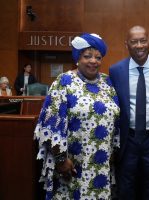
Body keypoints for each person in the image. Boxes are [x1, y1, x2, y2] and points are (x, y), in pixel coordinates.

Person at [34, 33, 120, 199]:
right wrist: (60, 160)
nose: (93, 61)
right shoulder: (64, 81)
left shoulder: (107, 82)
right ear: (77, 58)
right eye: (87, 56)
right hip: (72, 164)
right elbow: (50, 123)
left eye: (98, 57)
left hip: (101, 164)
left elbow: (116, 121)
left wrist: (112, 153)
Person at [109, 25, 149, 200]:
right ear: (126, 44)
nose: (139, 46)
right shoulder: (116, 71)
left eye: (143, 41)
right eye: (134, 42)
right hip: (127, 138)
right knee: (126, 186)